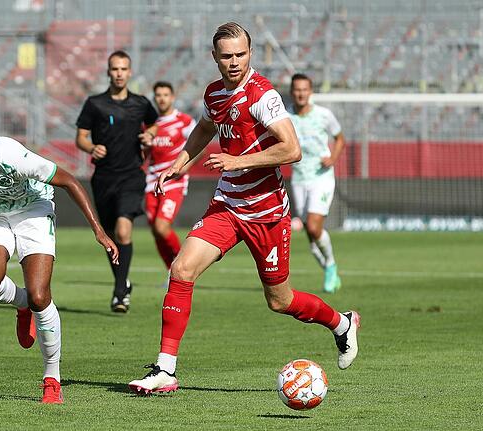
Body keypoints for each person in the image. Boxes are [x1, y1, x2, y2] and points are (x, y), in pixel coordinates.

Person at [128, 22, 360, 395]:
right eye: (226, 56)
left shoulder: (263, 95)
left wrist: (238, 161)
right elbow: (204, 129)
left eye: (240, 54)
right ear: (214, 57)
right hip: (227, 206)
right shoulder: (214, 94)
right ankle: (165, 370)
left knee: (279, 300)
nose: (234, 62)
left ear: (250, 54)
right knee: (182, 268)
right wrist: (179, 164)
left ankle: (342, 324)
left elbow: (291, 149)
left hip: (267, 213)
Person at [0, 125, 118, 404]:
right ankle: (21, 303)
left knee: (41, 296)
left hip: (33, 209)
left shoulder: (9, 153)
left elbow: (69, 182)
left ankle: (52, 379)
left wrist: (99, 231)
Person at [75, 50, 159, 313]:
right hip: (103, 179)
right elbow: (81, 137)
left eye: (123, 69)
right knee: (110, 237)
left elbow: (155, 125)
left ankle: (120, 292)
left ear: (130, 72)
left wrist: (149, 136)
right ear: (108, 72)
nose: (119, 73)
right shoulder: (95, 104)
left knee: (124, 231)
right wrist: (91, 148)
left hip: (132, 176)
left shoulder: (141, 103)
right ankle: (123, 282)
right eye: (115, 69)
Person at [288, 73, 346, 293]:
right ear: (292, 92)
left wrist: (332, 158)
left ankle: (330, 266)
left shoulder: (324, 115)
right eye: (297, 90)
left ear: (310, 91)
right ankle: (330, 270)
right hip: (299, 179)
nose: (301, 93)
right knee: (312, 238)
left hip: (321, 177)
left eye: (305, 89)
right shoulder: (286, 117)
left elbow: (340, 138)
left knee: (313, 226)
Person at [144, 82, 197, 271]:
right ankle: (171, 272)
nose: (162, 98)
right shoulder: (150, 124)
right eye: (158, 95)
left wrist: (185, 167)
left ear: (172, 97)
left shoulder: (184, 121)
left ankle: (183, 266)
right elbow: (145, 153)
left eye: (166, 94)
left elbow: (200, 145)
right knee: (156, 232)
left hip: (173, 182)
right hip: (151, 182)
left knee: (161, 227)